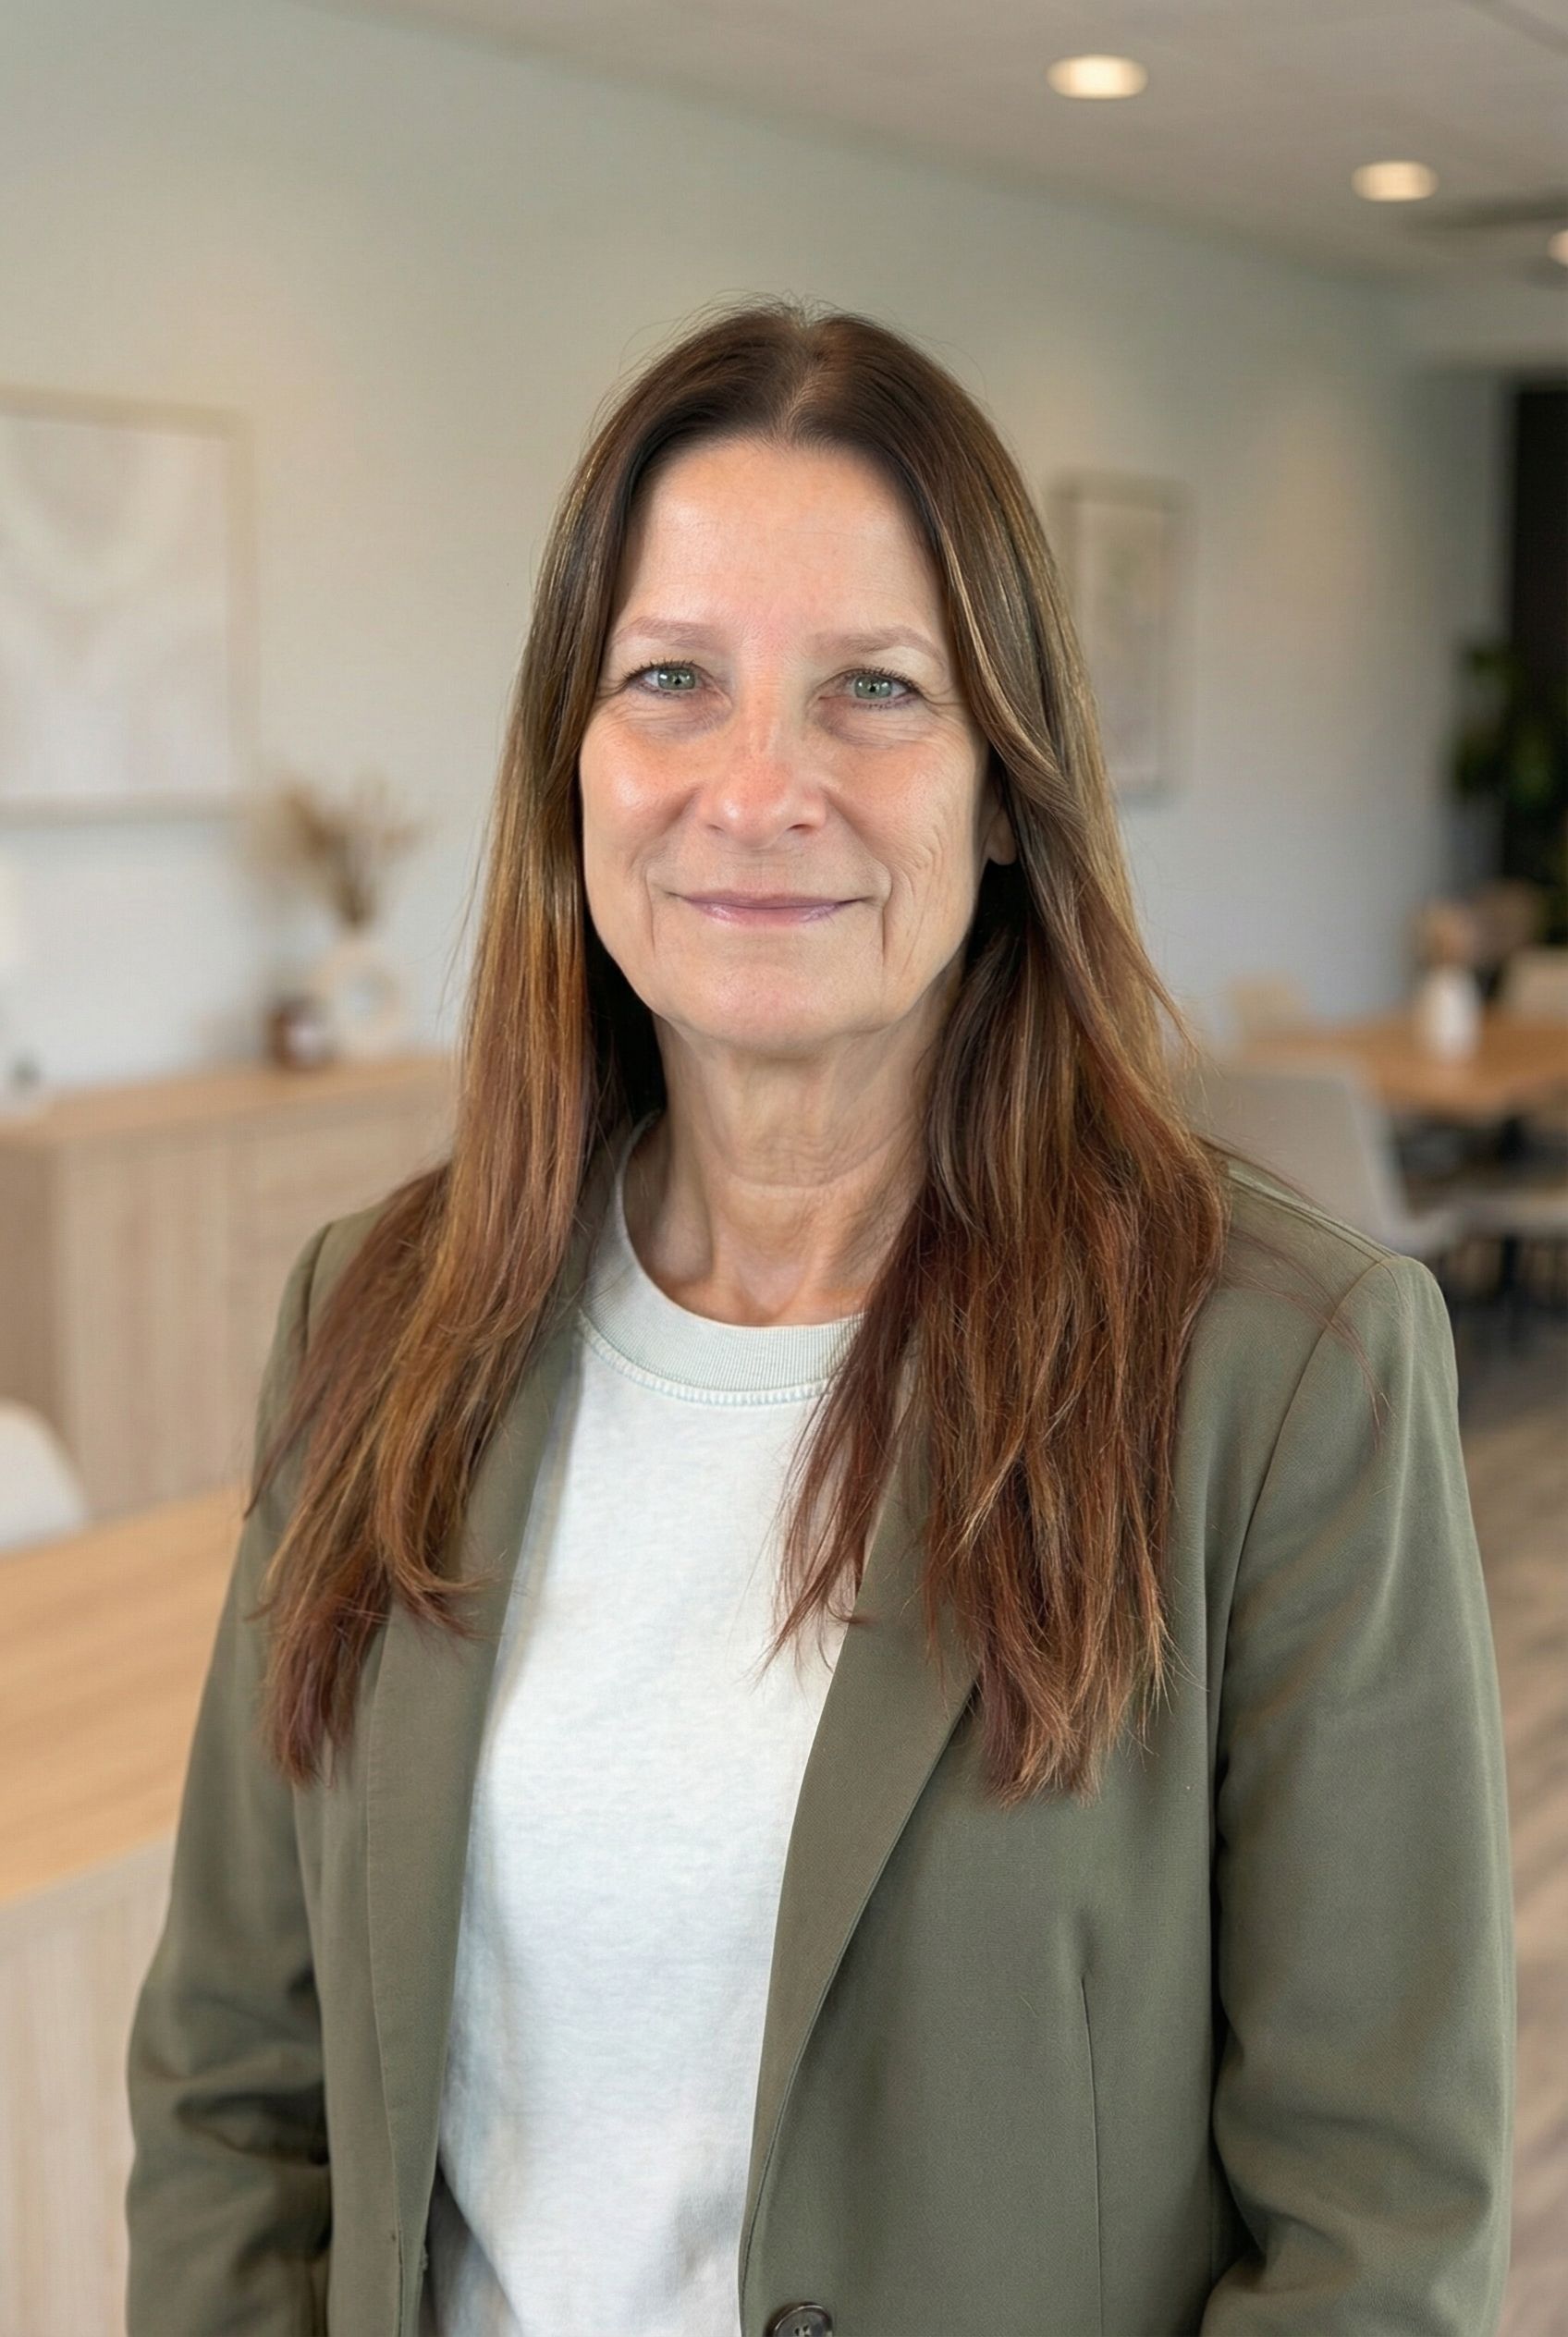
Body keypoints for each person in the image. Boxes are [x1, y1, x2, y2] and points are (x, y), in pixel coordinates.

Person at [125, 297, 1515, 2337]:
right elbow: (238, 2090)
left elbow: (1374, 2231)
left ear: (1004, 789)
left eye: (871, 689)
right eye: (671, 679)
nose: (755, 788)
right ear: (568, 768)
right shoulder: (379, 1321)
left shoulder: (1276, 1372)